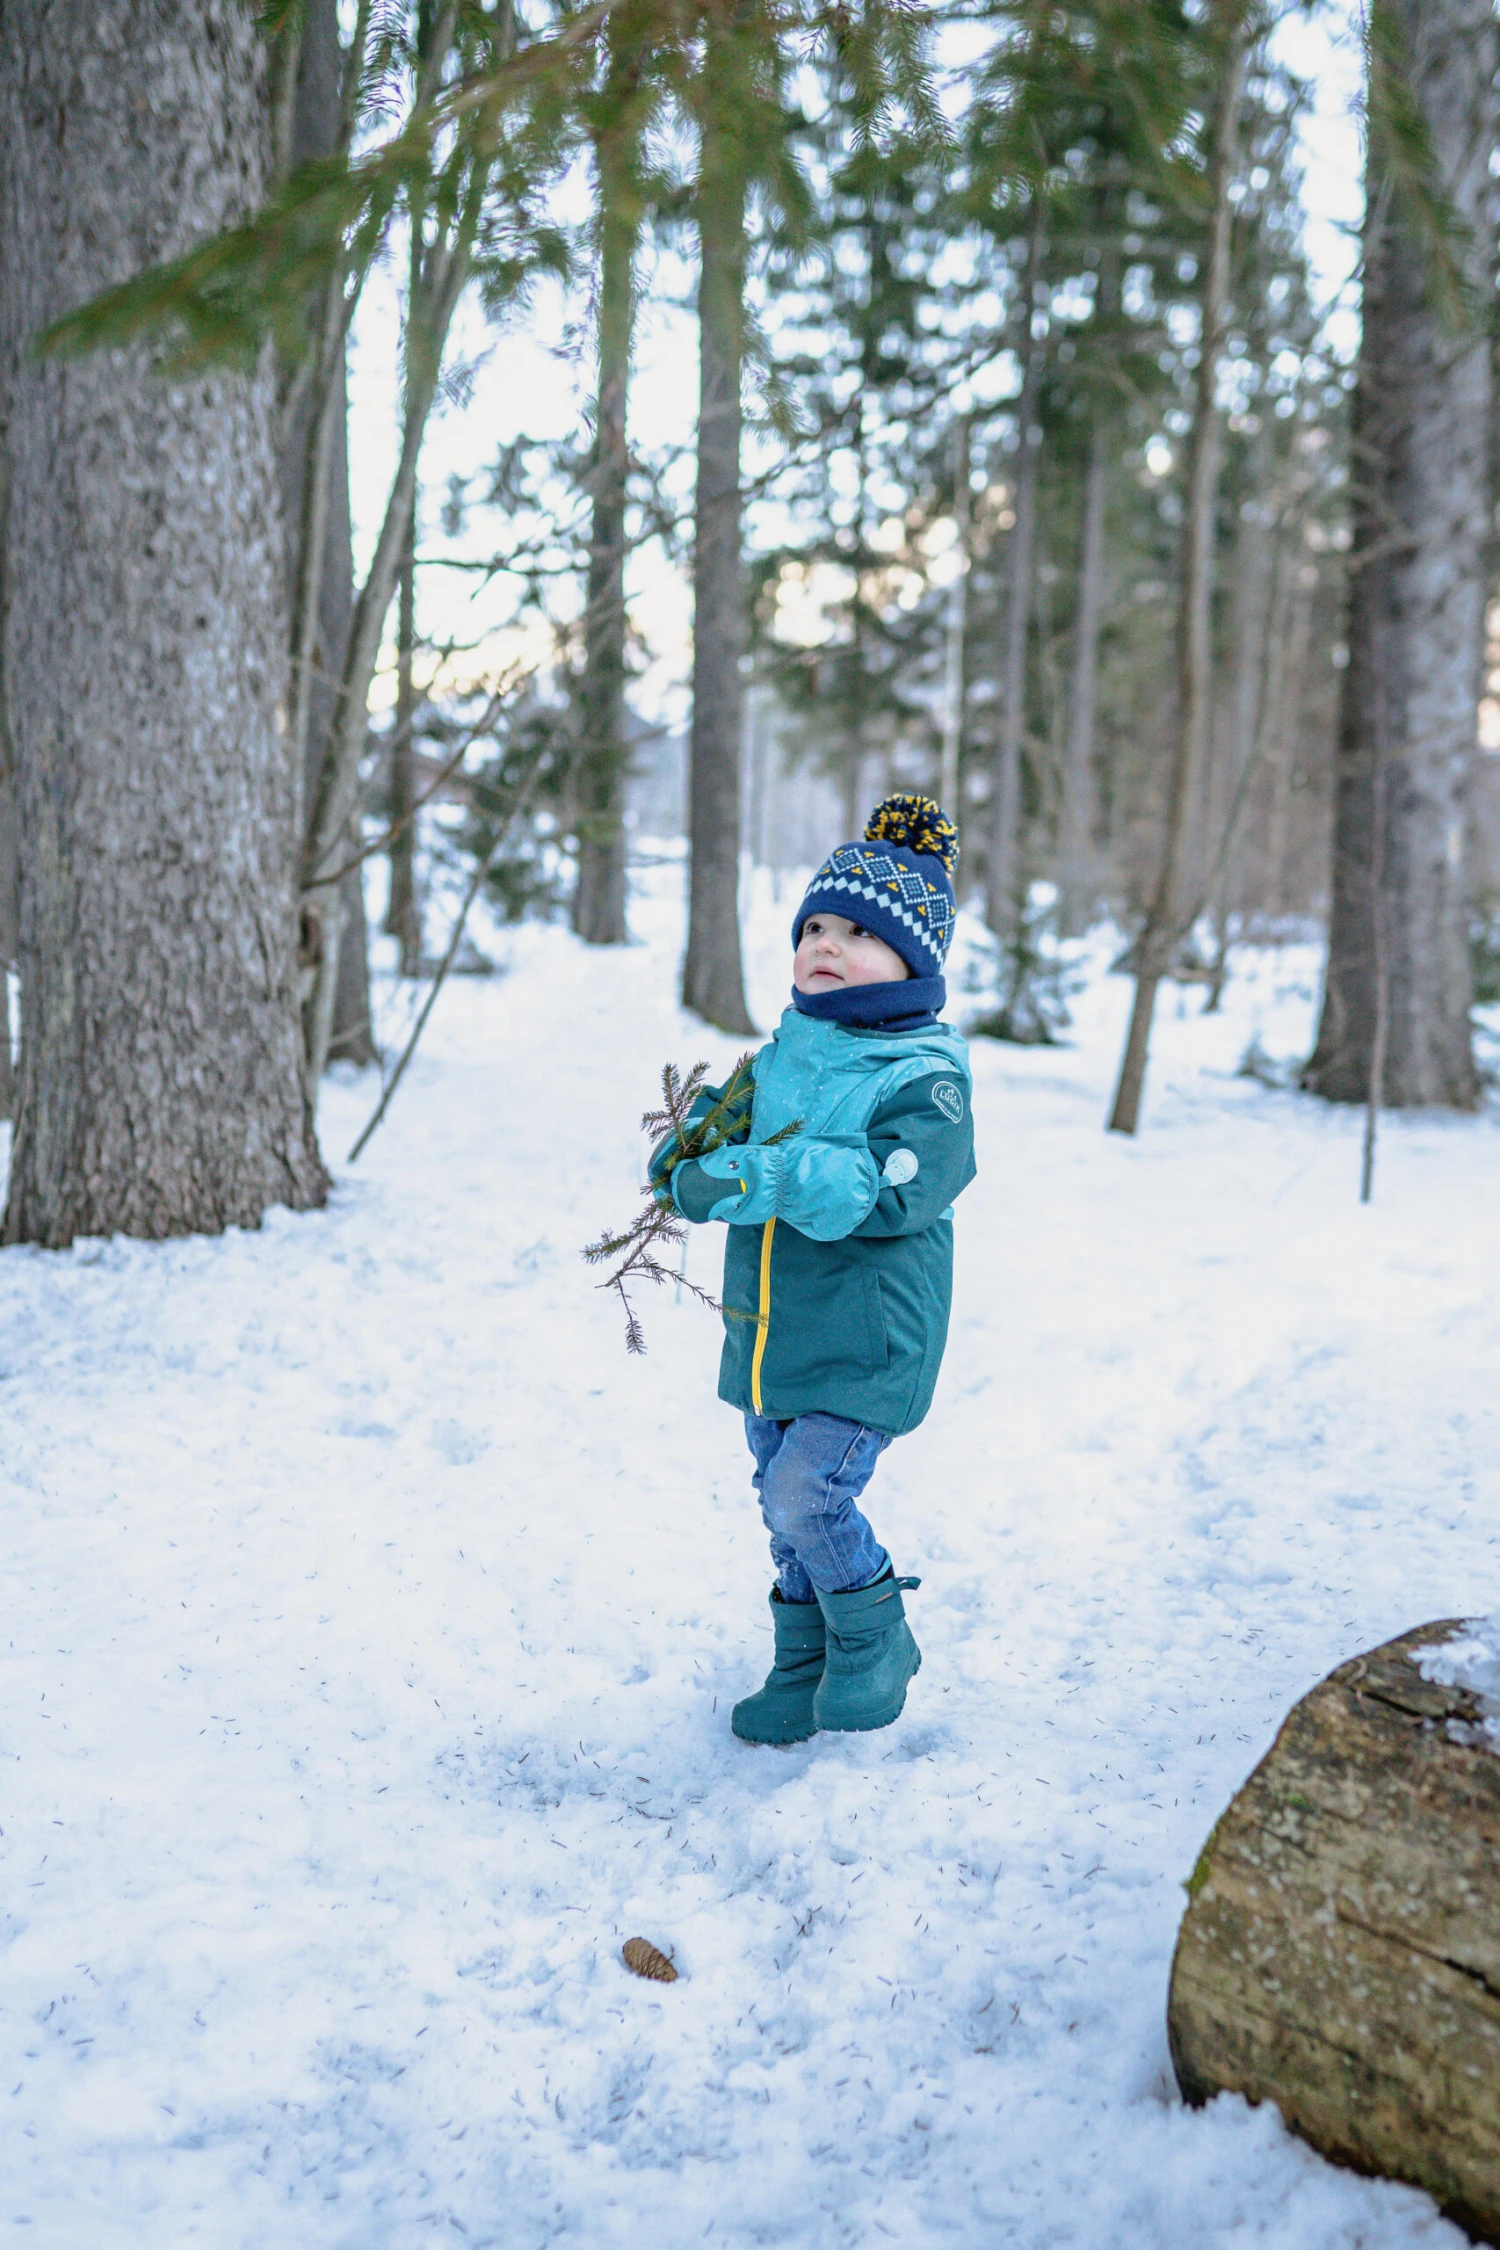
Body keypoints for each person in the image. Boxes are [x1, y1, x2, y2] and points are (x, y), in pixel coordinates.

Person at [659, 793, 976, 1745]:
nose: (828, 944)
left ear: (914, 960)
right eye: (815, 929)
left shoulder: (926, 1078)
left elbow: (884, 1189)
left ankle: (877, 1635)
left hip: (868, 1341)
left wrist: (764, 1173)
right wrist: (688, 1156)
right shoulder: (783, 1056)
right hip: (772, 1331)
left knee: (809, 1493)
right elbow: (717, 1135)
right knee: (779, 1500)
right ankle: (802, 1664)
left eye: (860, 933)